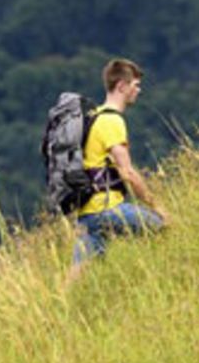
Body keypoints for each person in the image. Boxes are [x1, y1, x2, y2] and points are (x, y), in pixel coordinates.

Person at [70, 58, 168, 280]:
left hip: (87, 214)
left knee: (77, 278)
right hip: (108, 210)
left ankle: (56, 311)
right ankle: (158, 280)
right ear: (121, 86)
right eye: (135, 85)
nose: (138, 90)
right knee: (163, 229)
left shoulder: (93, 117)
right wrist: (156, 206)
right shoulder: (112, 122)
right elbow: (128, 173)